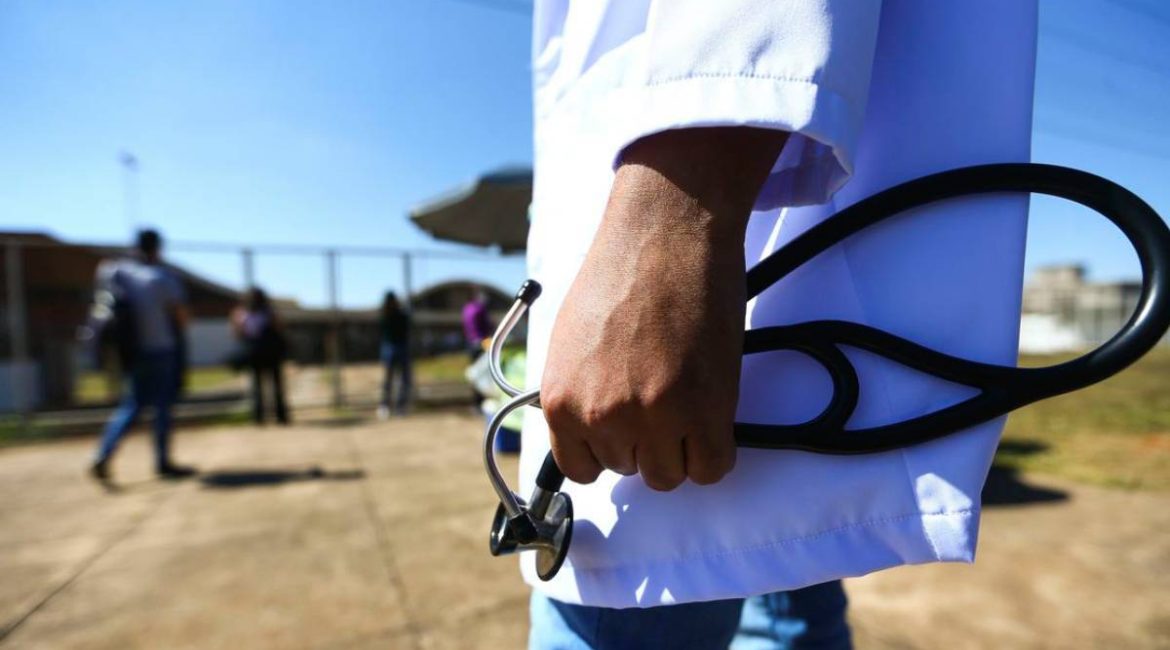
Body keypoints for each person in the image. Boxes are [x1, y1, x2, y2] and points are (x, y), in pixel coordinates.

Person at [521, 1, 1038, 648]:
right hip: (741, 234)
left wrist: (669, 216)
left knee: (649, 573)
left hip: (687, 203)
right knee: (779, 551)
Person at [90, 229, 195, 483]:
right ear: (157, 248)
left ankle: (104, 454)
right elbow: (180, 317)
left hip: (131, 351)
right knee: (162, 406)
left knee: (132, 404)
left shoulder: (117, 271)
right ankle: (163, 462)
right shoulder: (161, 277)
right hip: (161, 348)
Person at [231, 287, 290, 425]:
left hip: (256, 352)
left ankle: (259, 416)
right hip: (270, 353)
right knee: (275, 384)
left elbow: (237, 333)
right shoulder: (269, 312)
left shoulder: (242, 313)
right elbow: (280, 328)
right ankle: (280, 416)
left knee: (257, 386)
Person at [377, 291, 412, 419]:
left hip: (400, 347)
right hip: (390, 347)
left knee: (402, 379)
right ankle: (385, 405)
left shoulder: (400, 315)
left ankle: (399, 406)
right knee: (389, 379)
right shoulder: (386, 315)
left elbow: (407, 326)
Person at [461, 288, 493, 360]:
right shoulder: (481, 308)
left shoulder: (467, 307)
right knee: (484, 359)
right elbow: (486, 323)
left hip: (470, 339)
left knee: (474, 360)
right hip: (482, 339)